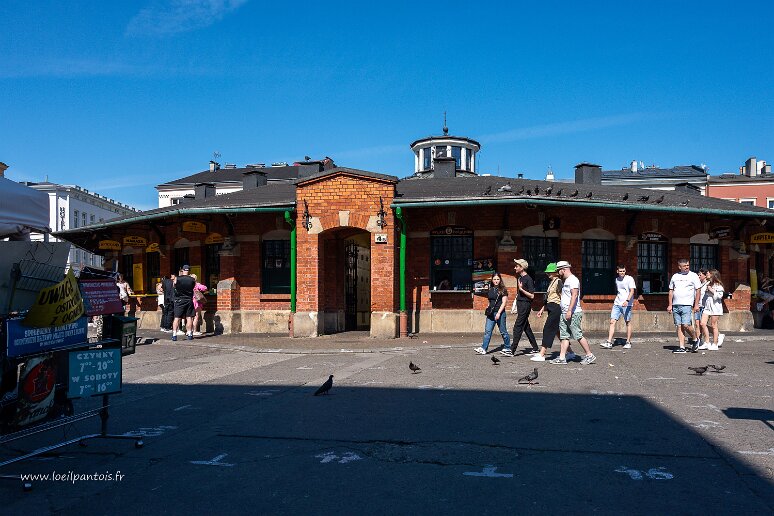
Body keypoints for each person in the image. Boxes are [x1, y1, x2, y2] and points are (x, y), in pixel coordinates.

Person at [550, 261, 596, 365]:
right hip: (565, 312)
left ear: (563, 269)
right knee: (564, 336)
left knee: (578, 335)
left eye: (558, 270)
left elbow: (574, 295)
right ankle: (562, 358)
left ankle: (589, 355)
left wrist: (570, 310)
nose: (558, 272)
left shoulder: (573, 280)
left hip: (573, 313)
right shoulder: (566, 281)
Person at [534, 263, 576, 362]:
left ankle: (542, 354)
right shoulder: (552, 282)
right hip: (551, 307)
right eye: (547, 272)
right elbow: (548, 298)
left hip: (557, 308)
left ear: (555, 272)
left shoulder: (558, 282)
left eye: (550, 272)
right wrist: (542, 309)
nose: (548, 273)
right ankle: (570, 352)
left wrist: (567, 309)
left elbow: (564, 296)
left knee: (548, 329)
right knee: (558, 332)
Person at [667, 258, 701, 353]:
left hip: (687, 304)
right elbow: (671, 290)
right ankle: (682, 347)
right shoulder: (675, 276)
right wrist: (670, 305)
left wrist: (696, 304)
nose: (687, 267)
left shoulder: (693, 276)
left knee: (686, 325)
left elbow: (698, 290)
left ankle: (695, 339)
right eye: (684, 266)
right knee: (679, 326)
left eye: (688, 265)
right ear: (679, 267)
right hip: (676, 304)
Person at [474, 272, 511, 355]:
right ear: (492, 280)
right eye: (494, 279)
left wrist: (498, 313)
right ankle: (484, 348)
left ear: (500, 280)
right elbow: (490, 301)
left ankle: (508, 347)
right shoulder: (490, 289)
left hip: (500, 313)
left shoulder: (503, 289)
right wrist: (488, 308)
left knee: (503, 331)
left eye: (498, 279)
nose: (496, 281)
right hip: (491, 314)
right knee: (488, 331)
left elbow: (504, 302)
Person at [601, 265, 636, 349]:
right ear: (617, 271)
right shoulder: (617, 280)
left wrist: (627, 301)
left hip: (626, 304)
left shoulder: (629, 279)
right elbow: (620, 291)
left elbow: (632, 291)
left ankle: (628, 342)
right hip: (617, 303)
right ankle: (609, 342)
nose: (622, 273)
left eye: (623, 271)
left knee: (627, 322)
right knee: (612, 321)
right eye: (620, 271)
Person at [509, 259, 539, 355]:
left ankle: (512, 350)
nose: (515, 268)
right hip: (520, 304)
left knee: (517, 327)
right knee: (526, 327)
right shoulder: (520, 278)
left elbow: (532, 295)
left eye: (517, 266)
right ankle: (535, 348)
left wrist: (521, 289)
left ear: (522, 267)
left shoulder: (528, 279)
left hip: (526, 305)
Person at [698, 269, 725, 350]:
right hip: (707, 306)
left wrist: (711, 290)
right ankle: (707, 342)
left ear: (713, 275)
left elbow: (719, 296)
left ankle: (715, 343)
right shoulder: (708, 283)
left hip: (715, 307)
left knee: (714, 325)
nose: (707, 274)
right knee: (702, 323)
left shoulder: (718, 286)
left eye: (708, 273)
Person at [171, 265, 196, 341]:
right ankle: (189, 334)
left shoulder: (177, 278)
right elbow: (193, 287)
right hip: (189, 300)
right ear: (189, 271)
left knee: (177, 318)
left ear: (182, 270)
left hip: (179, 300)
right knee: (189, 317)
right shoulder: (192, 279)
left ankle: (174, 335)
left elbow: (174, 287)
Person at [693, 268, 708, 345]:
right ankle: (698, 340)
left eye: (700, 275)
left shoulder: (707, 284)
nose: (698, 276)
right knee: (697, 323)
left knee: (703, 324)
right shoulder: (698, 284)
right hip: (697, 306)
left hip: (704, 306)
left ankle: (707, 340)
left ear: (705, 276)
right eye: (698, 275)